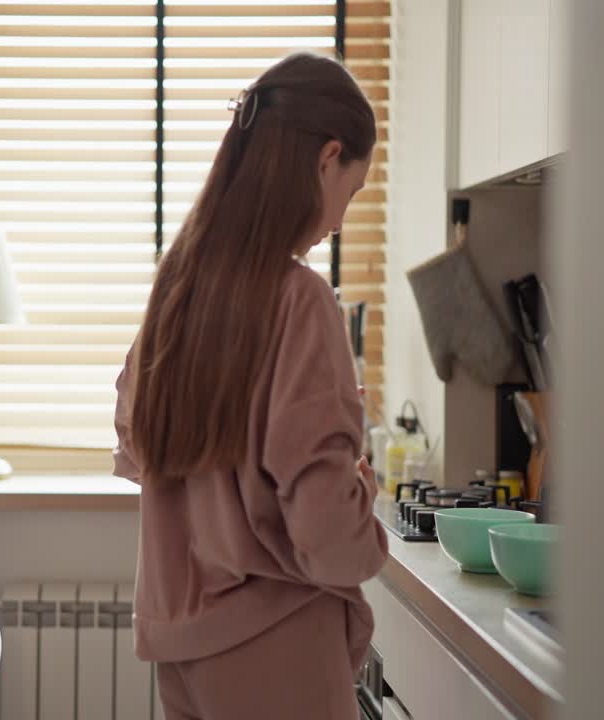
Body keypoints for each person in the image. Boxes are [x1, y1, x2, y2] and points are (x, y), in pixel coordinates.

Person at [112, 52, 389, 719]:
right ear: (327, 159)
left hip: (182, 650)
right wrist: (362, 503)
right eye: (350, 193)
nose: (341, 221)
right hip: (278, 645)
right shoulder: (300, 299)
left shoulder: (178, 291)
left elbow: (136, 444)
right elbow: (325, 532)